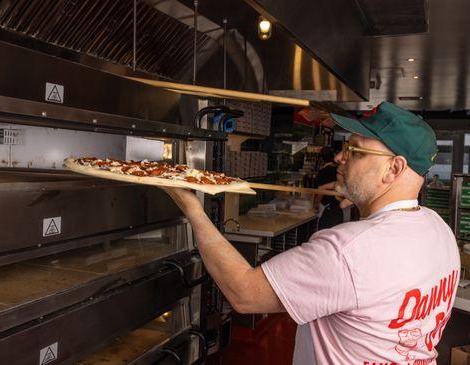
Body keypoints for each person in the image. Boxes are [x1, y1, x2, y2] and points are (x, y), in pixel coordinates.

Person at [162, 102, 460, 364]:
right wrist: (362, 202)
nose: (341, 157)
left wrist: (192, 207)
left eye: (354, 150)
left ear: (394, 169)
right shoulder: (438, 229)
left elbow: (245, 293)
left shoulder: (348, 250)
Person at [314, 147, 344, 229]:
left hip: (328, 209)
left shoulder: (323, 172)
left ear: (321, 159)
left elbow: (321, 189)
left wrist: (316, 204)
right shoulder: (338, 170)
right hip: (339, 210)